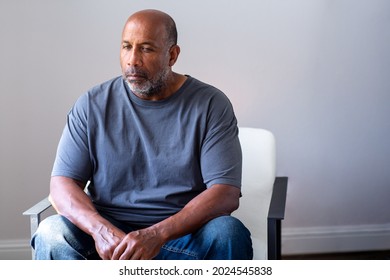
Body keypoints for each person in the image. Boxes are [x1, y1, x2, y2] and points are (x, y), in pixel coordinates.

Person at [31, 9, 253, 260]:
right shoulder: (92, 104)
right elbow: (62, 184)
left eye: (146, 49)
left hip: (179, 239)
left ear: (172, 55)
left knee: (228, 232)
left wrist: (157, 234)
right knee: (51, 232)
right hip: (107, 239)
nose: (132, 60)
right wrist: (100, 230)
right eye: (126, 47)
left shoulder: (210, 104)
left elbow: (225, 193)